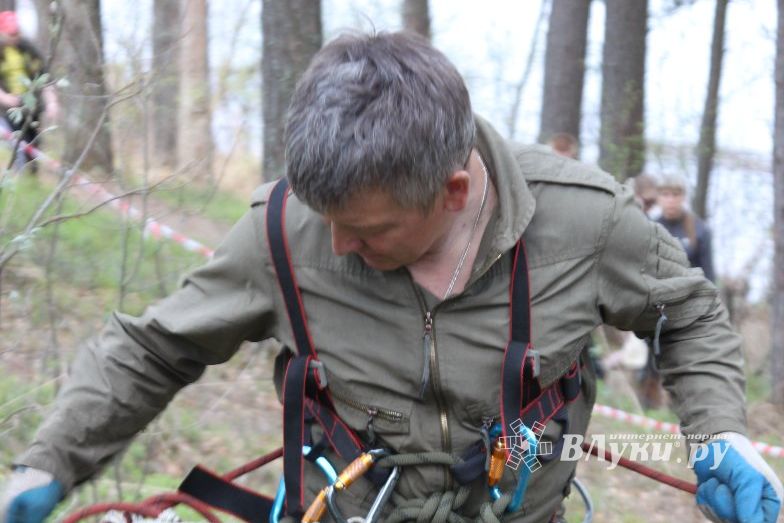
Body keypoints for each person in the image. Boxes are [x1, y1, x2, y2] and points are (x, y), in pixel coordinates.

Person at [1, 32, 781, 523]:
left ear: (453, 191)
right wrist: (49, 460)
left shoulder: (586, 221)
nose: (337, 244)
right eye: (327, 218)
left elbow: (687, 314)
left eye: (370, 230)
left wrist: (722, 435)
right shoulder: (284, 228)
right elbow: (152, 348)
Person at [0, 10, 59, 170]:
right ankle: (17, 174)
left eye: (16, 32)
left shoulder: (28, 48)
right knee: (17, 147)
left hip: (30, 107)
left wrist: (52, 102)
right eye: (11, 34)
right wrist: (4, 98)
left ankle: (31, 177)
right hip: (6, 111)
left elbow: (45, 76)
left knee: (33, 147)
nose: (14, 36)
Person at [656, 173, 716, 282]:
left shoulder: (700, 230)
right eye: (665, 194)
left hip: (690, 289)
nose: (670, 200)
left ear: (683, 197)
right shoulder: (651, 227)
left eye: (675, 195)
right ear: (658, 198)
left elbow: (708, 275)